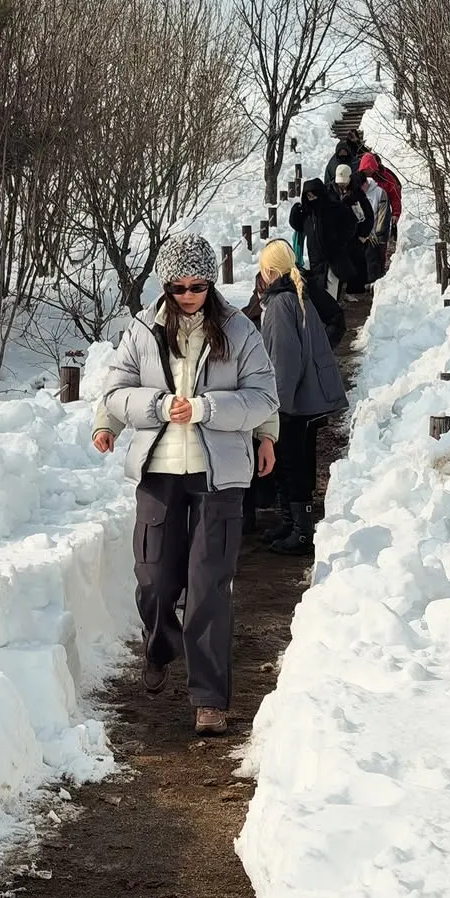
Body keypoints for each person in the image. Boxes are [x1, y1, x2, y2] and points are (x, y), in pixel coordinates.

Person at [91, 234, 278, 737]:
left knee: (208, 585)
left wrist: (214, 412)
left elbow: (263, 395)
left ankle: (210, 698)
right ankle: (160, 643)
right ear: (165, 285)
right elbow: (114, 390)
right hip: (159, 471)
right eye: (179, 287)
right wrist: (125, 417)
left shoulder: (239, 331)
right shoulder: (141, 330)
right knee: (152, 579)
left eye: (199, 286)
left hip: (221, 476)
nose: (190, 295)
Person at [257, 239, 348, 554]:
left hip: (293, 400)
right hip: (306, 395)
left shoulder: (281, 303)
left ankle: (301, 531)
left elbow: (284, 358)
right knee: (296, 460)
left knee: (291, 462)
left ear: (268, 270)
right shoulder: (297, 295)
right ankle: (292, 523)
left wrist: (277, 405)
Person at [289, 178, 357, 300]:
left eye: (314, 195)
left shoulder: (334, 209)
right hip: (315, 260)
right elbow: (297, 225)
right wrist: (295, 212)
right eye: (309, 196)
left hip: (333, 259)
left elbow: (351, 224)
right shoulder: (307, 213)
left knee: (330, 296)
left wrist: (340, 241)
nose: (312, 199)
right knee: (319, 295)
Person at [332, 163, 374, 297]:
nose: (342, 185)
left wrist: (364, 234)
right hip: (337, 235)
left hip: (355, 235)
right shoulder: (330, 191)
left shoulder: (357, 193)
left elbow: (369, 215)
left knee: (356, 262)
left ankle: (355, 289)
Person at [357, 152, 392, 281]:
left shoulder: (380, 191)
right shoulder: (356, 190)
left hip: (375, 232)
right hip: (361, 233)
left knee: (375, 258)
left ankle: (375, 279)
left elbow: (383, 213)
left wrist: (378, 232)